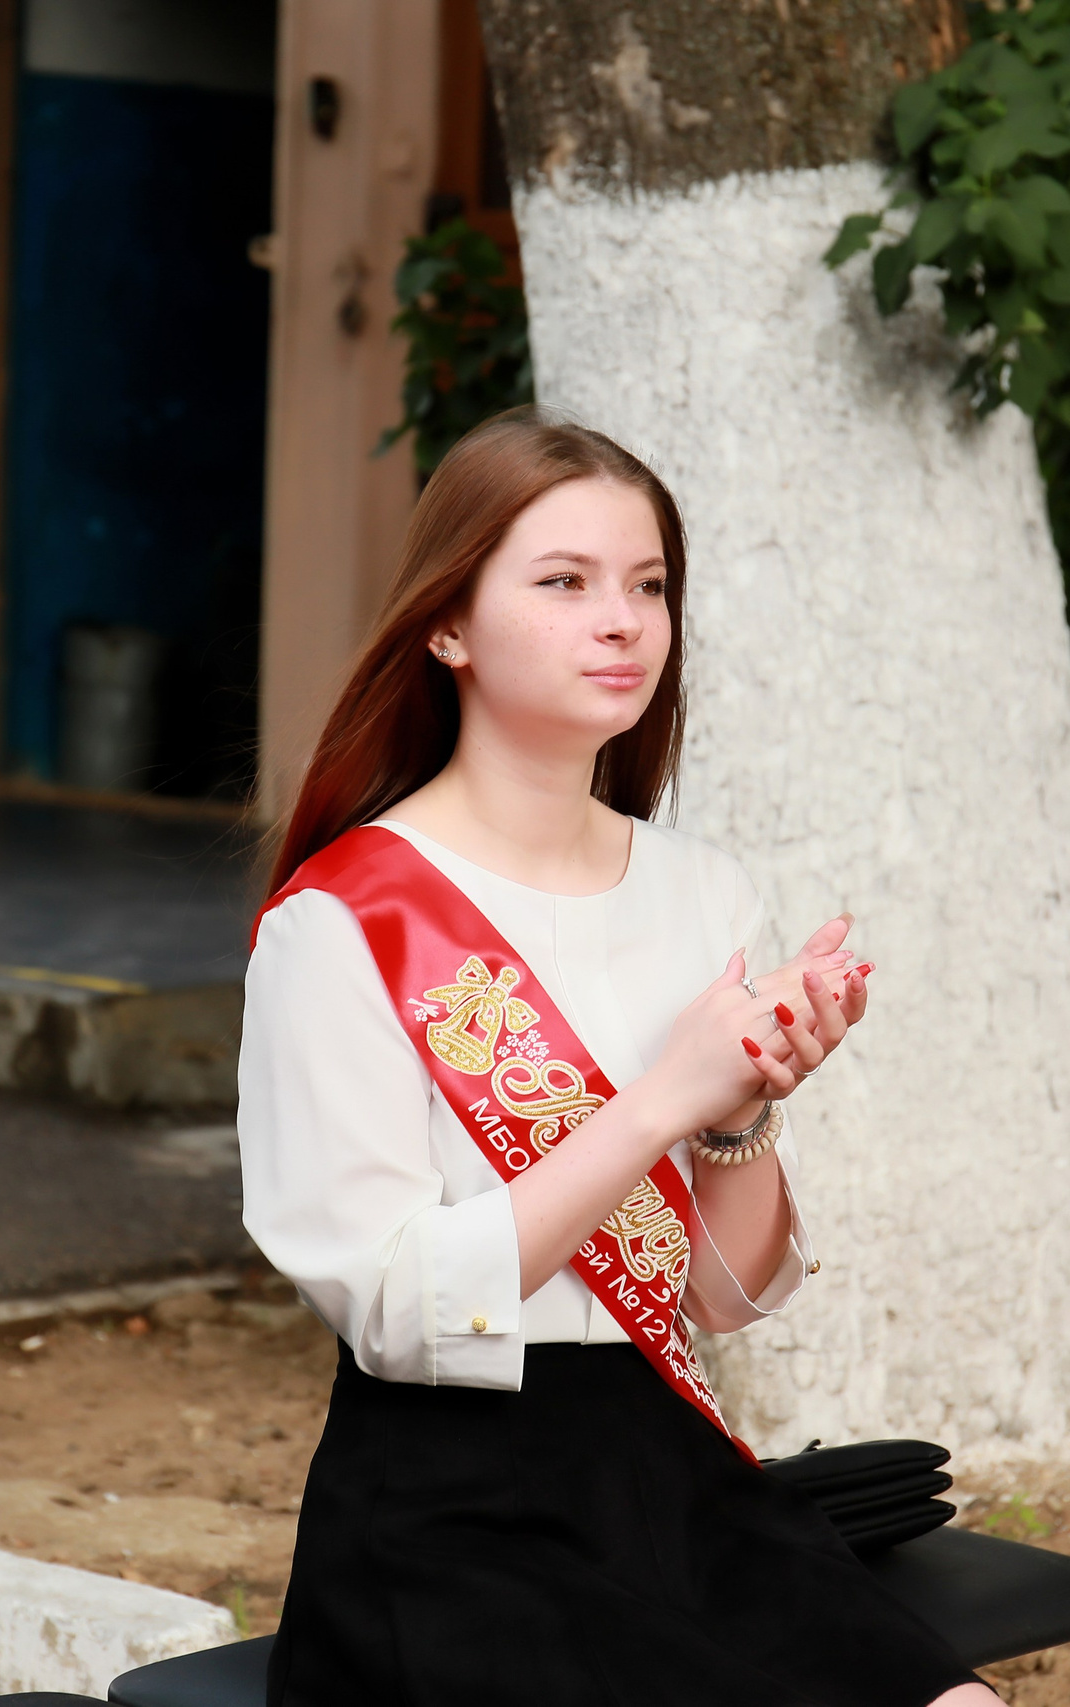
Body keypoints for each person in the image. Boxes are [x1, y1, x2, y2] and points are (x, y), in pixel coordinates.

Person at [240, 409, 1000, 1706]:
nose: (623, 621)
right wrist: (662, 1102)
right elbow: (399, 1313)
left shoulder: (703, 894)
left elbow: (719, 1299)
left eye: (649, 586)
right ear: (448, 626)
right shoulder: (342, 919)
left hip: (675, 1473)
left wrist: (743, 1115)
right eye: (565, 582)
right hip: (449, 1514)